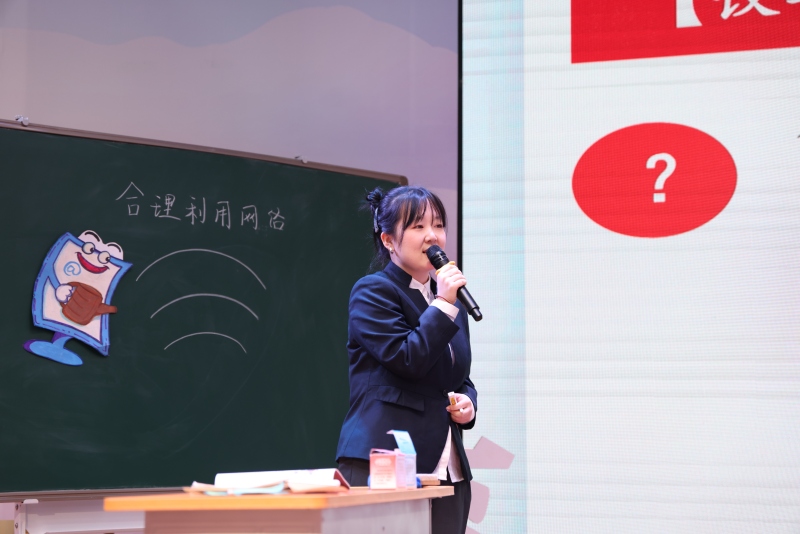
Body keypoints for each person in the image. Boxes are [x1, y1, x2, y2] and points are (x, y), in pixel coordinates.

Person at [336, 185, 477, 534]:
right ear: (388, 240)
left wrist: (468, 403)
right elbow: (407, 358)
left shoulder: (450, 305)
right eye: (418, 226)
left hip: (448, 466)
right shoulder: (374, 291)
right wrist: (443, 304)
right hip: (385, 463)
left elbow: (457, 378)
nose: (433, 236)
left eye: (438, 225)